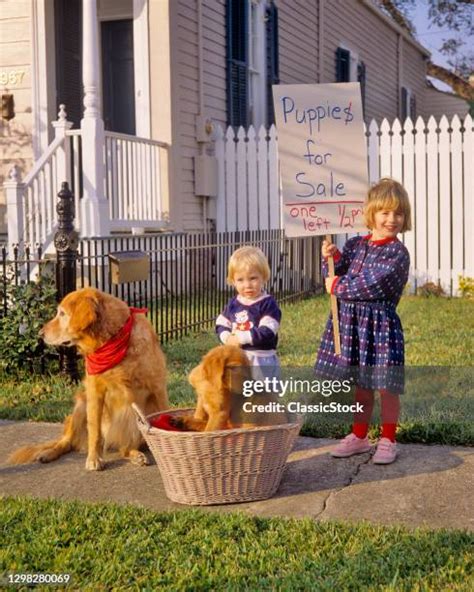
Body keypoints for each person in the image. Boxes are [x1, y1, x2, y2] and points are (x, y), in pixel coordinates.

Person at [315, 178, 411, 464]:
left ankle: (388, 439)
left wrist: (337, 286)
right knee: (361, 385)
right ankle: (359, 436)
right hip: (354, 326)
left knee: (386, 386)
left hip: (380, 327)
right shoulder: (356, 244)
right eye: (385, 212)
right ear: (371, 213)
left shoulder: (397, 254)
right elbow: (338, 271)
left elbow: (372, 284)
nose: (391, 219)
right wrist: (330, 257)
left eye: (398, 213)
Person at [216, 246, 281, 379]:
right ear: (233, 281)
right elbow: (221, 323)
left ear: (263, 277)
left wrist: (240, 338)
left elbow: (267, 331)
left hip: (261, 360)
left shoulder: (268, 304)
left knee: (263, 395)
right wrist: (228, 338)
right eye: (240, 280)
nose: (247, 285)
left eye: (253, 278)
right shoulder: (234, 303)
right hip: (238, 358)